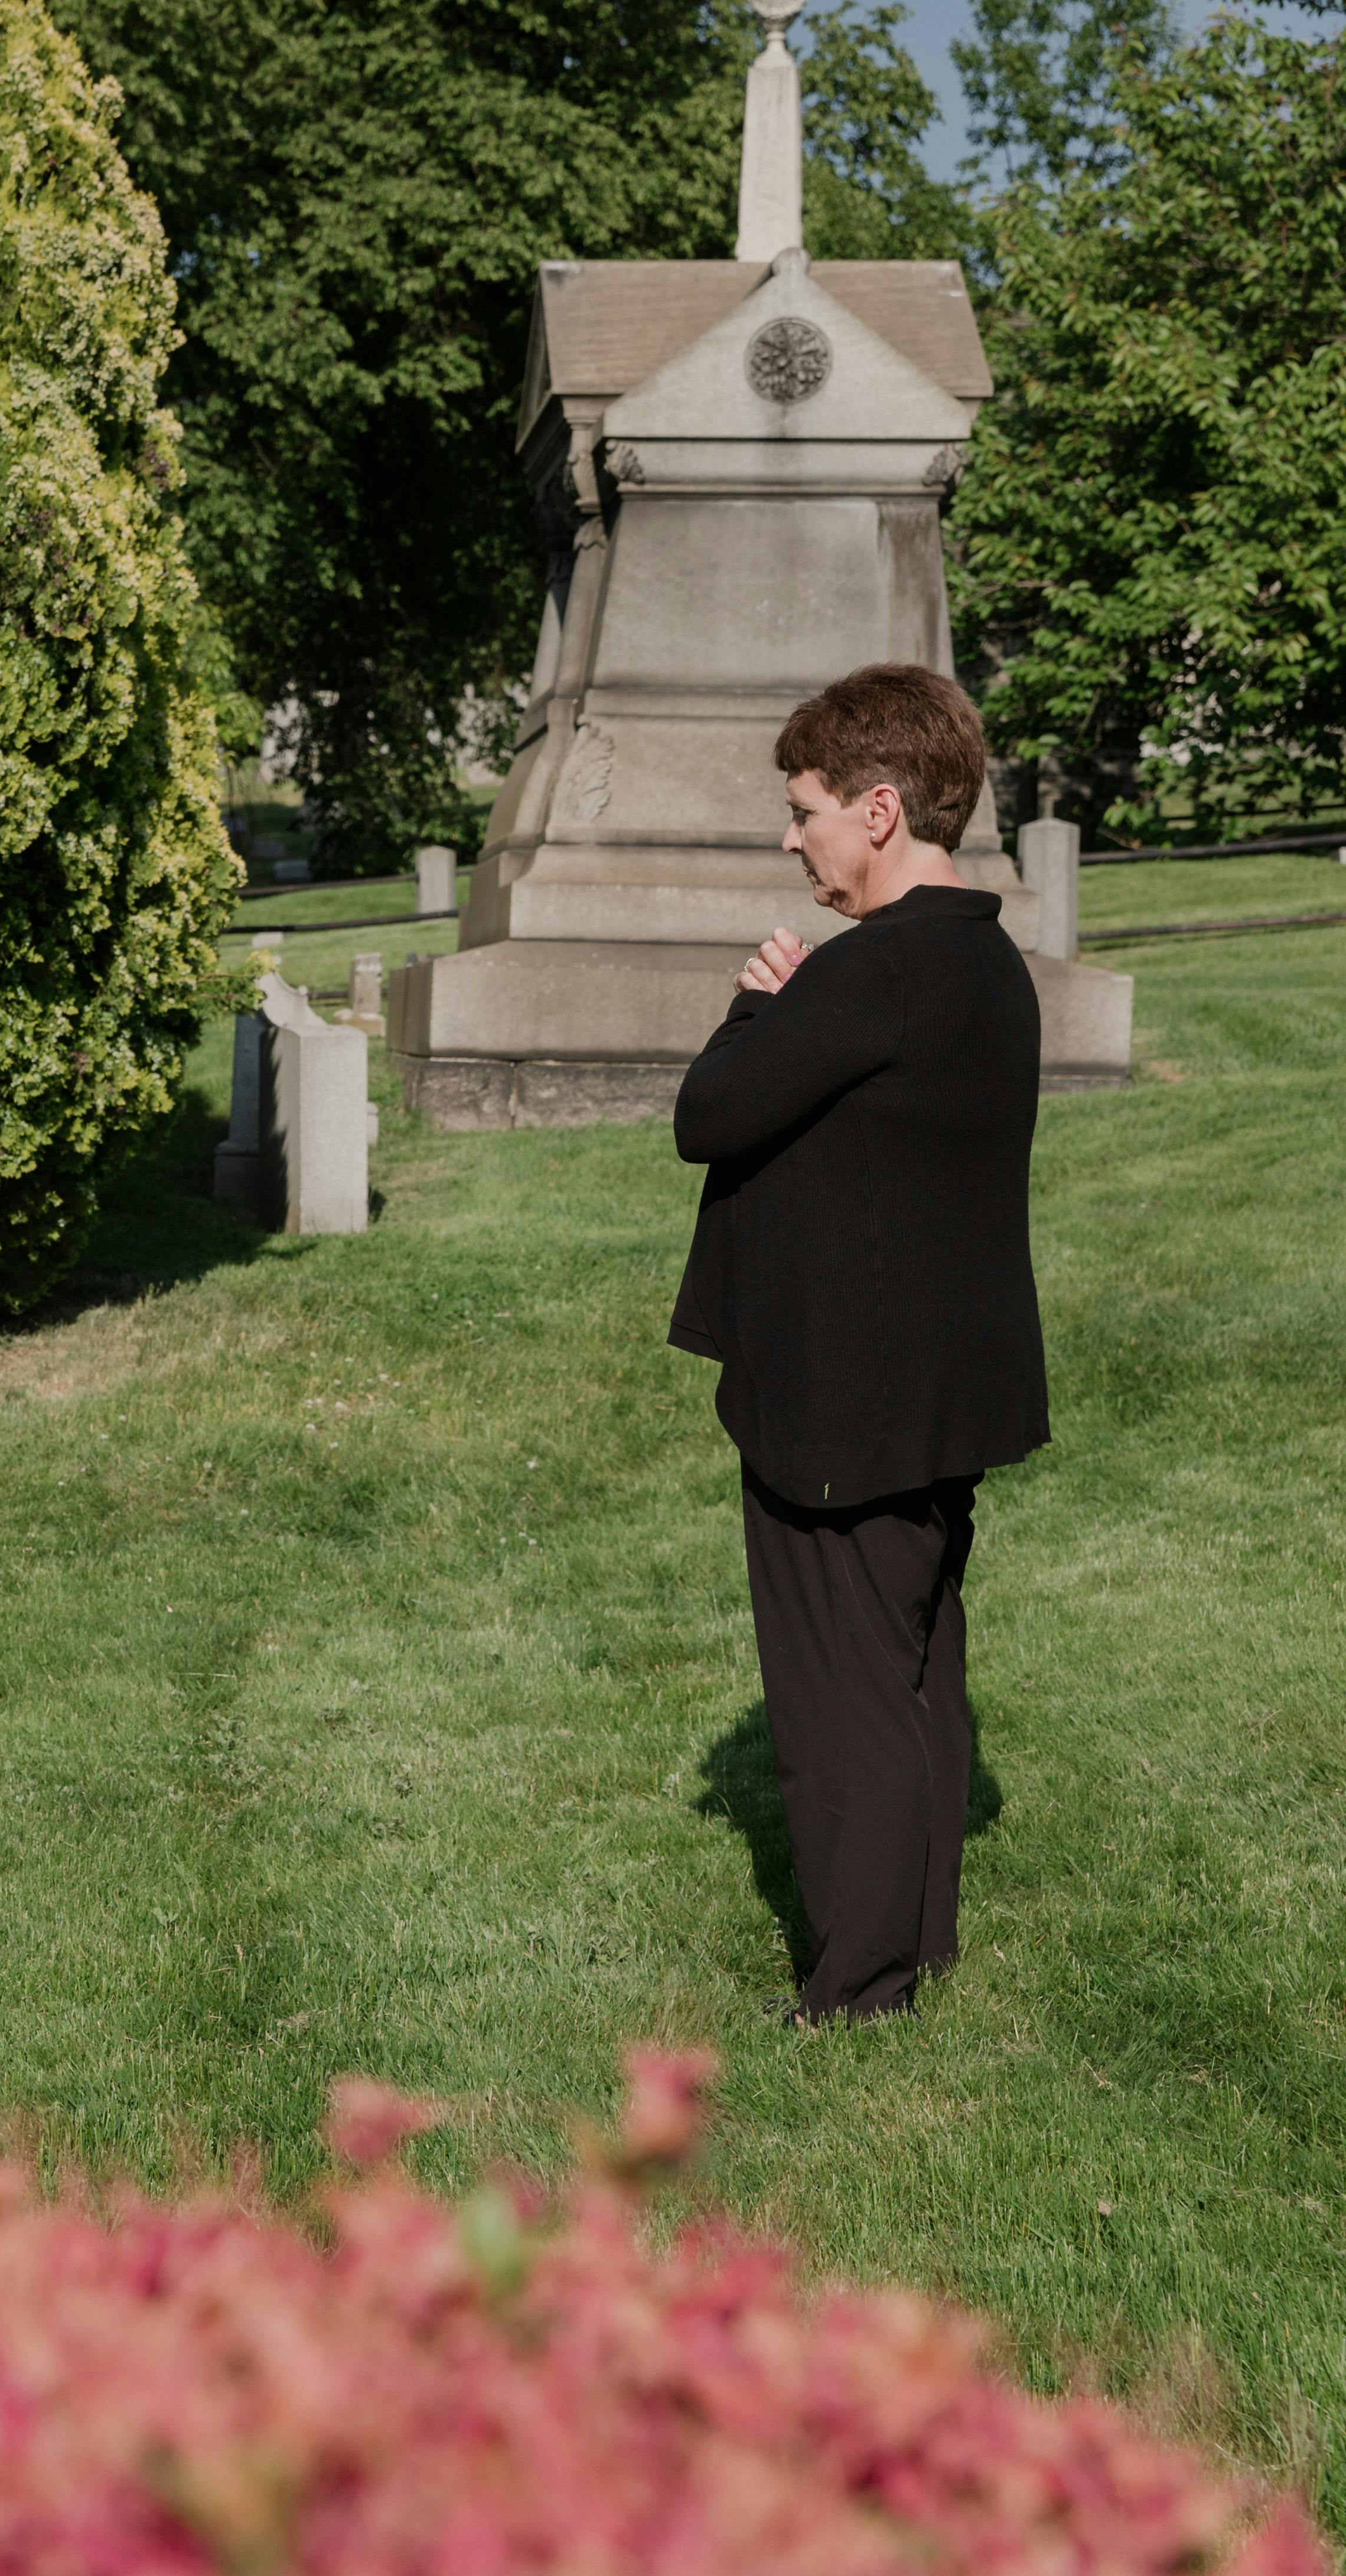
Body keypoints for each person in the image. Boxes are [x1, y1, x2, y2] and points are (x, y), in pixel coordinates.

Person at [669, 662, 1048, 2026]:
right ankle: (916, 1940)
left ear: (879, 810)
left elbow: (704, 1115)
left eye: (804, 809)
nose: (791, 838)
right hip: (942, 1389)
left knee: (842, 1705)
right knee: (912, 1667)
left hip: (839, 1402)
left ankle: (857, 1987)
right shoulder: (985, 960)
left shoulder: (860, 974)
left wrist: (754, 1004)